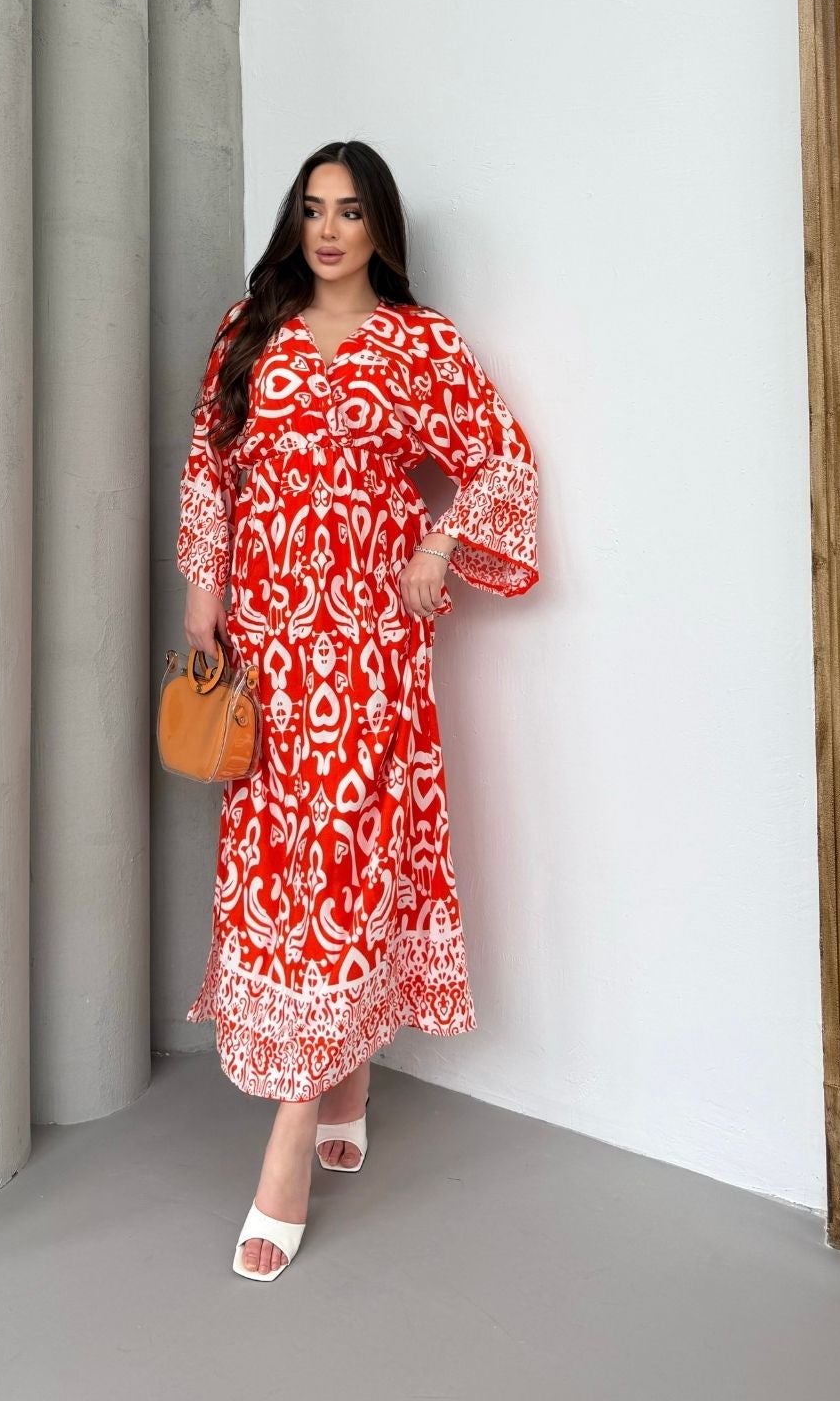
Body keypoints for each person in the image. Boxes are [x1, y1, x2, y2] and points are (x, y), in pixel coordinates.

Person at [175, 139, 540, 1281]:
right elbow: (210, 465)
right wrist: (203, 592)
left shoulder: (422, 345)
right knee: (284, 864)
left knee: (345, 856)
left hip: (371, 647)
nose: (328, 231)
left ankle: (293, 1131)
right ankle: (345, 1072)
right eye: (312, 210)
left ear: (380, 226)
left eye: (349, 211)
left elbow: (502, 462)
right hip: (269, 645)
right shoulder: (252, 328)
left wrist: (439, 542)